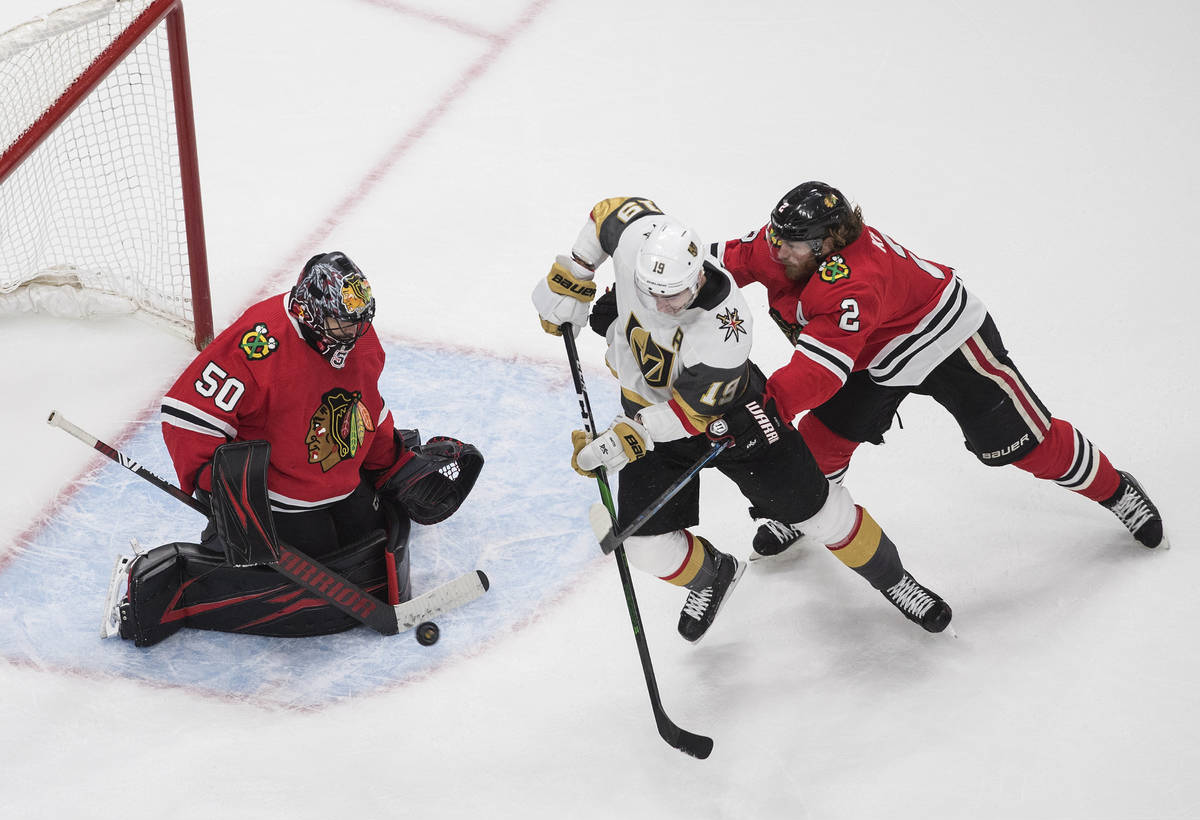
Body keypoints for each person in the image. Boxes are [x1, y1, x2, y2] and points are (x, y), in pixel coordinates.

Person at [532, 196, 953, 637]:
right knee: (644, 548)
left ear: (696, 277)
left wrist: (625, 439)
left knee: (823, 515)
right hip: (645, 409)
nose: (662, 306)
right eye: (650, 292)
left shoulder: (725, 329)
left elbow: (691, 415)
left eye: (674, 294)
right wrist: (575, 275)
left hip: (735, 419)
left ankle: (894, 580)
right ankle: (713, 575)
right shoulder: (641, 241)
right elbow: (608, 214)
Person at [714, 181, 1165, 558]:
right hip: (871, 346)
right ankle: (811, 510)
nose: (777, 251)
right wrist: (658, 278)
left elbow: (818, 372)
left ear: (828, 242)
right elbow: (712, 264)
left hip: (945, 337)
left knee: (1027, 442)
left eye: (790, 244)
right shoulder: (780, 246)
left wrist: (762, 410)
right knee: (821, 441)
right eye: (776, 238)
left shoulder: (850, 281)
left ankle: (1115, 489)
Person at [106, 251, 483, 646]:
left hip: (341, 479)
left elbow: (365, 405)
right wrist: (219, 489)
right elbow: (186, 416)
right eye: (342, 324)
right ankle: (197, 562)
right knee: (319, 574)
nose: (354, 335)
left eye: (360, 322)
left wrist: (391, 462)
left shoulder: (358, 338)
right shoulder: (256, 346)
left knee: (369, 543)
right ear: (309, 312)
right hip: (280, 496)